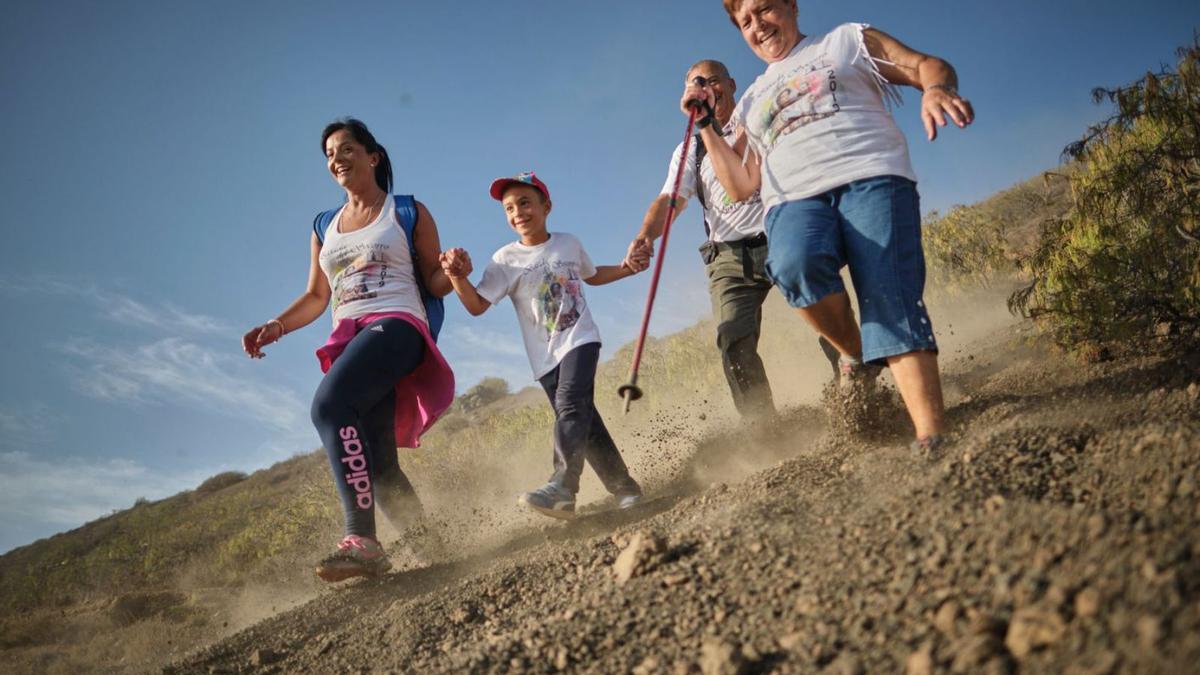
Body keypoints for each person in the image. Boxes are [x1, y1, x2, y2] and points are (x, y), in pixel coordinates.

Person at [696, 0, 975, 454]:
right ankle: (853, 353)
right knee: (792, 264)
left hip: (872, 174)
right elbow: (742, 185)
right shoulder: (750, 98)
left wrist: (934, 88)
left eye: (764, 9)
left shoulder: (843, 42)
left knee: (890, 295)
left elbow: (926, 64)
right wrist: (708, 126)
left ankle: (931, 436)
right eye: (744, 21)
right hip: (794, 199)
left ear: (790, 5)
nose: (757, 25)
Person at [241, 118, 455, 581]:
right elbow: (318, 297)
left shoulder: (406, 210)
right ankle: (436, 550)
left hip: (397, 326)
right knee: (378, 464)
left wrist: (454, 271)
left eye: (346, 149)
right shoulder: (324, 225)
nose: (336, 159)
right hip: (352, 337)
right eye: (329, 155)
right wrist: (274, 327)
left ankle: (362, 540)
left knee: (330, 405)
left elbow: (434, 282)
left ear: (372, 156)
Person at [625, 59, 840, 422]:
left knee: (824, 311)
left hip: (781, 233)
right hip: (728, 258)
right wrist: (646, 236)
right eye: (696, 84)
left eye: (712, 80)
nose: (707, 88)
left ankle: (852, 388)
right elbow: (670, 200)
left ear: (731, 83)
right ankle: (763, 430)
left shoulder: (759, 116)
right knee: (732, 340)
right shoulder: (689, 150)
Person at [439, 172, 645, 520]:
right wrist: (456, 278)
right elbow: (476, 306)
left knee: (570, 406)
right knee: (583, 421)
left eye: (525, 202)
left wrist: (628, 269)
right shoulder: (505, 260)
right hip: (545, 358)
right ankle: (626, 489)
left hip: (580, 339)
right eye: (509, 208)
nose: (518, 212)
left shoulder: (568, 243)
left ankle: (562, 486)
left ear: (545, 206)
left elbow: (592, 276)